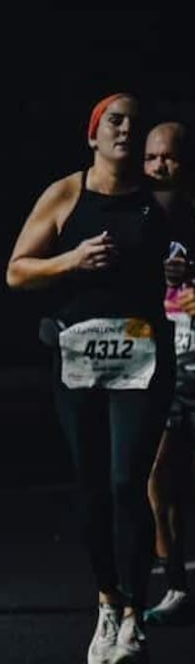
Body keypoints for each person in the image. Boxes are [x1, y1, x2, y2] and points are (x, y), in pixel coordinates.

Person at [6, 93, 174, 664]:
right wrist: (71, 261)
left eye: (134, 122)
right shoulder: (66, 194)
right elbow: (17, 271)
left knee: (129, 480)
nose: (125, 130)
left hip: (142, 356)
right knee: (93, 484)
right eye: (114, 121)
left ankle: (133, 613)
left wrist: (181, 269)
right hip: (78, 355)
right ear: (93, 134)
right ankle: (107, 600)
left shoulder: (162, 199)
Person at [143, 122, 195, 625]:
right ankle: (176, 583)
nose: (160, 166)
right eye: (152, 157)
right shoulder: (135, 215)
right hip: (162, 357)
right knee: (159, 470)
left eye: (170, 157)